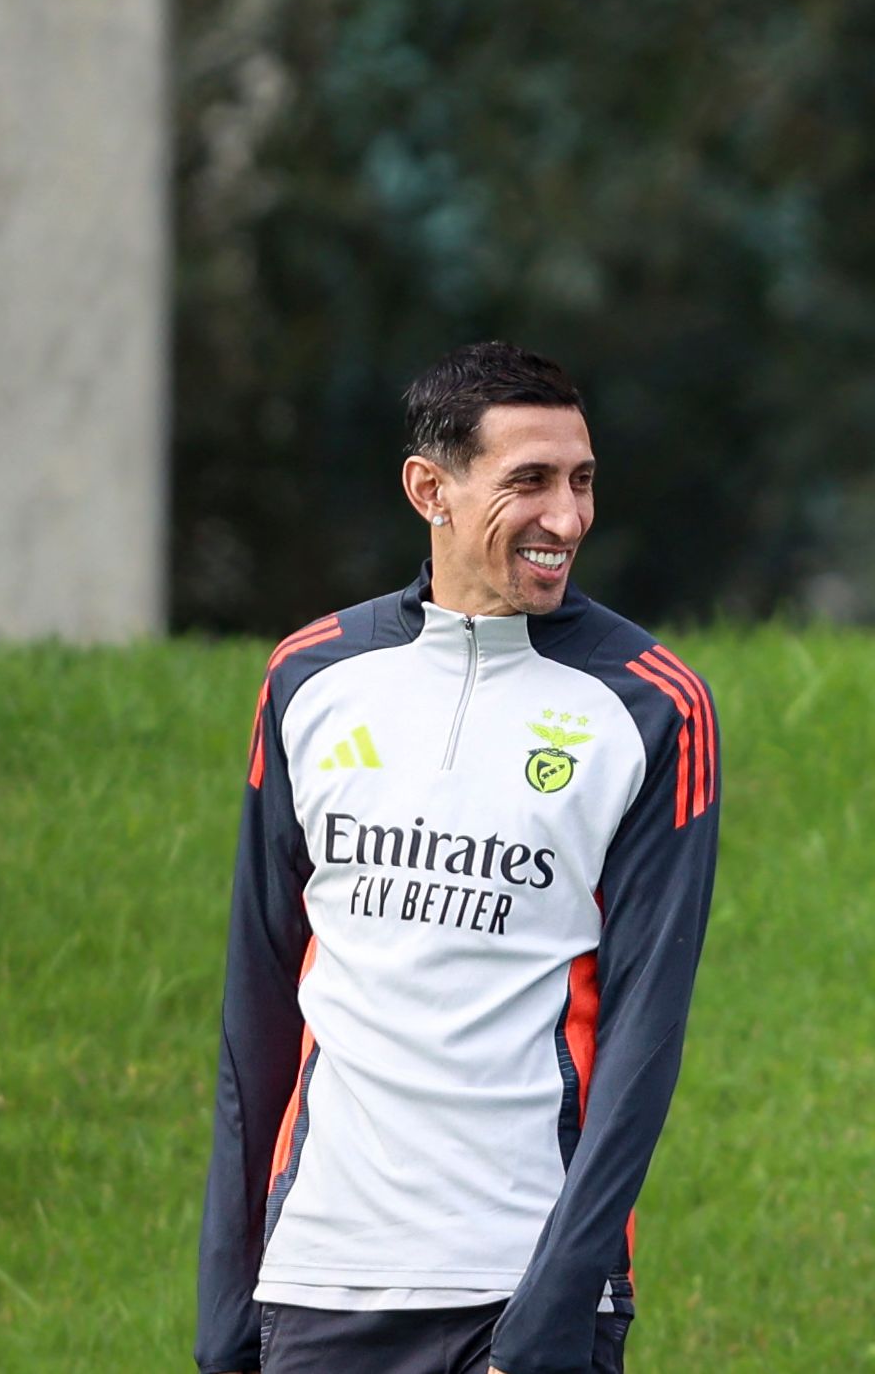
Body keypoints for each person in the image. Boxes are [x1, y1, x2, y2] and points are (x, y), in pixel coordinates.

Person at [195, 344, 721, 1374]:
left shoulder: (655, 705)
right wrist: (227, 1304)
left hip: (523, 1286)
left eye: (582, 482)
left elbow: (646, 1036)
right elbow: (256, 1004)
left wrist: (557, 1304)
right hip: (318, 1282)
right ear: (429, 489)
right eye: (528, 482)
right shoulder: (310, 678)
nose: (566, 519)